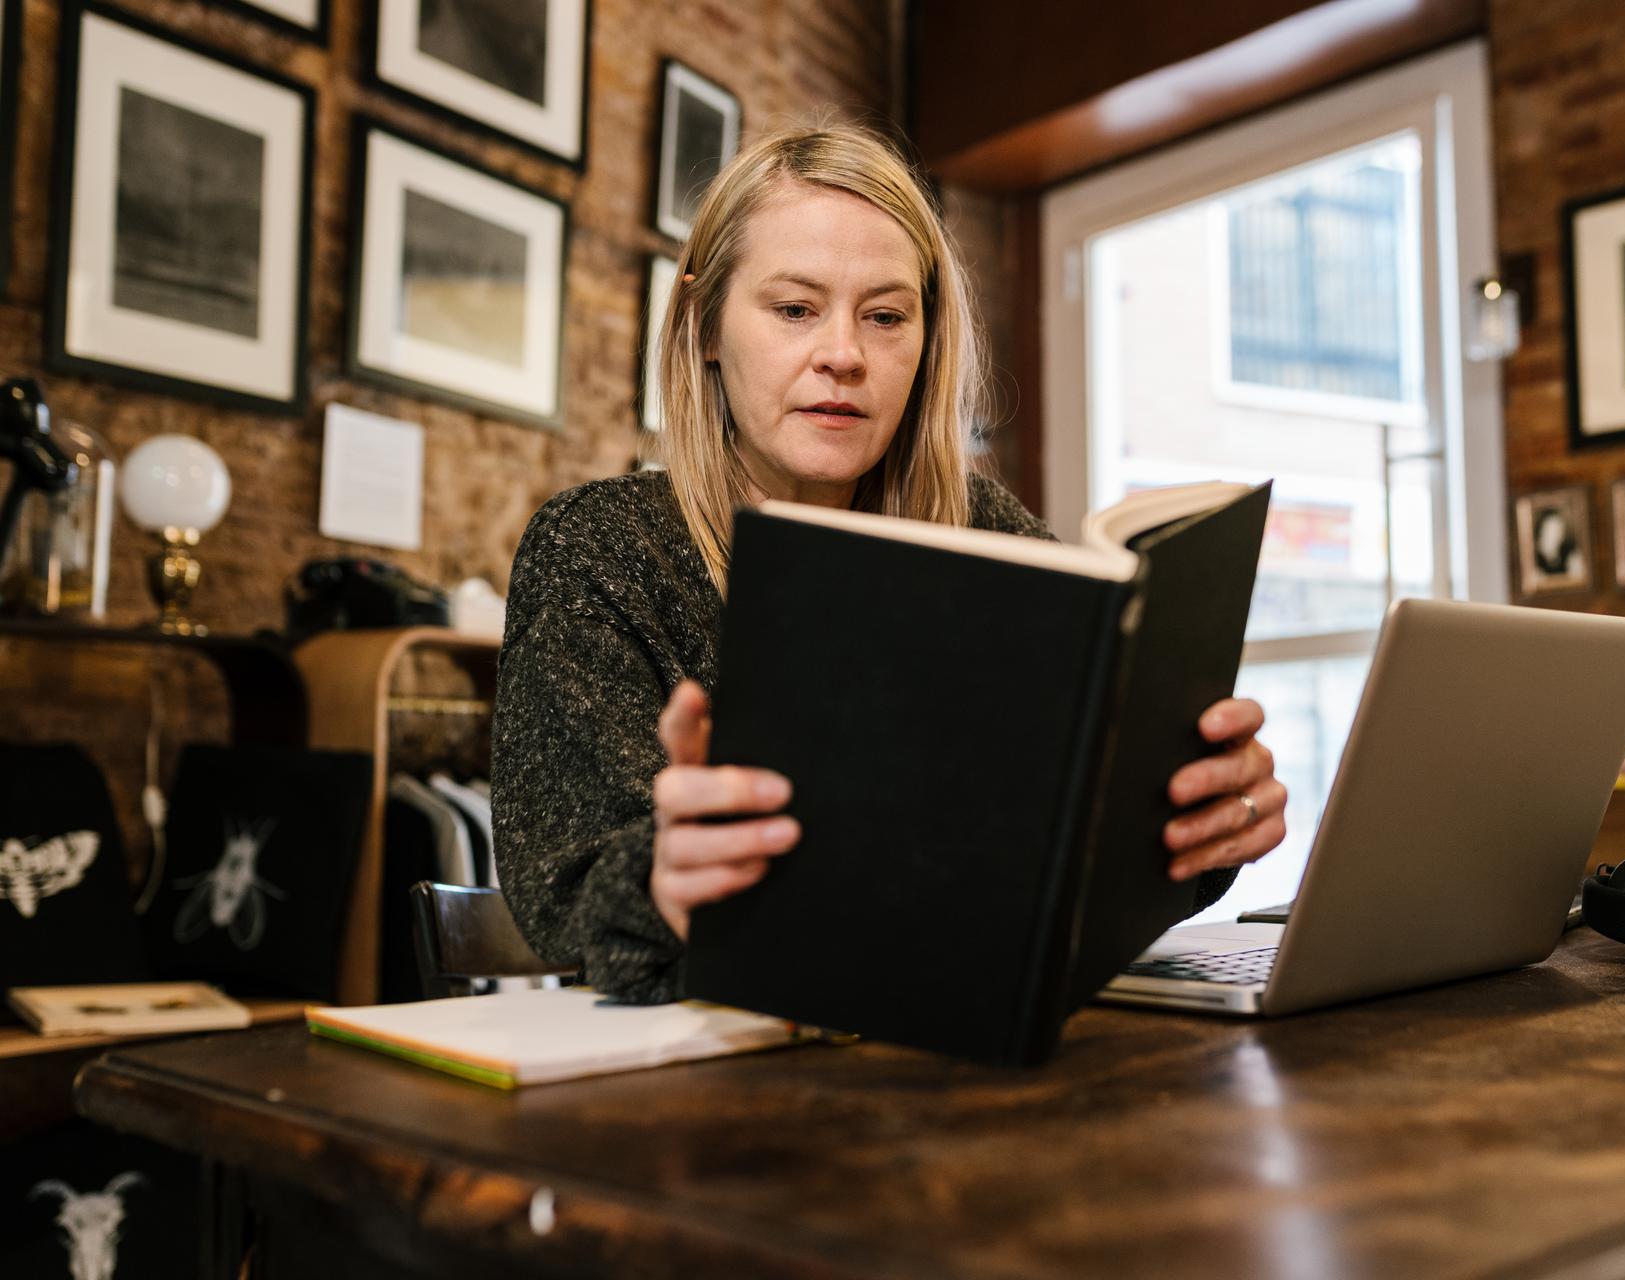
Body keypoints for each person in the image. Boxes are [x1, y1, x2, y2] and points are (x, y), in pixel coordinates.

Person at [491, 123, 1290, 1002]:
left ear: (926, 342)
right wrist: (663, 882)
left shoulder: (988, 533)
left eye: (885, 317)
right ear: (706, 326)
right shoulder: (600, 547)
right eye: (794, 309)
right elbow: (568, 896)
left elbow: (1081, 861)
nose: (844, 354)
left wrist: (1198, 814)